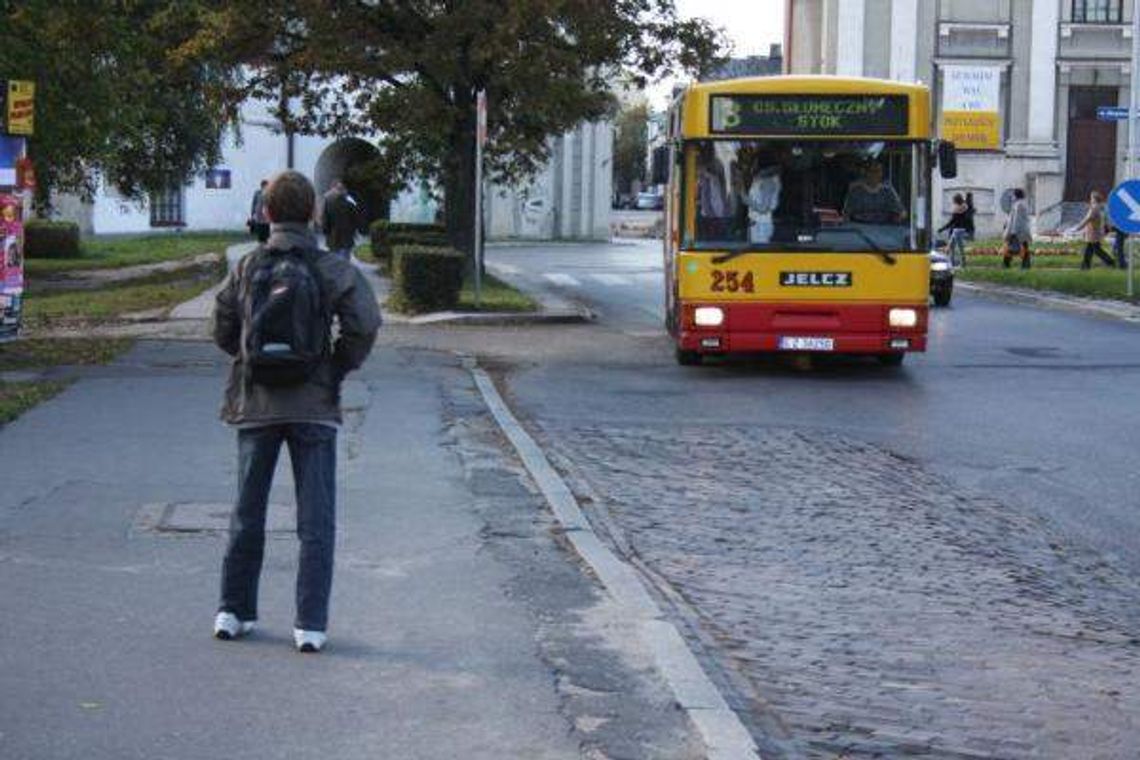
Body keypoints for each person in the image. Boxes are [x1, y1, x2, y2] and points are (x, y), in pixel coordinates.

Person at [211, 170, 381, 653]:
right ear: (313, 214)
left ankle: (233, 611)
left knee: (247, 511)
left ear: (266, 213)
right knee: (316, 518)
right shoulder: (329, 267)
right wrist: (334, 368)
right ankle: (310, 624)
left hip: (256, 403)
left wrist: (251, 361)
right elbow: (365, 324)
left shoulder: (247, 266)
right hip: (314, 405)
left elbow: (222, 327)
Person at [1072, 191, 1116, 270]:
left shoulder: (1094, 208)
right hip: (1097, 231)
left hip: (1093, 233)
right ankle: (1085, 266)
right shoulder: (1101, 208)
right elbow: (1104, 219)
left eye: (1091, 197)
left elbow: (1087, 219)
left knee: (1097, 250)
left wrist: (1078, 228)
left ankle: (1110, 262)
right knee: (1089, 249)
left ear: (1094, 199)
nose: (1090, 199)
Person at [696, 145, 731, 239]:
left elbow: (724, 196)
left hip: (718, 216)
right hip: (710, 216)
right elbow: (705, 200)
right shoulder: (705, 176)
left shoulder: (718, 171)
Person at [321, 179, 360, 259]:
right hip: (347, 237)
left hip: (333, 236)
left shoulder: (328, 202)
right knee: (345, 261)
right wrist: (354, 231)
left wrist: (326, 232)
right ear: (344, 190)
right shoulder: (350, 202)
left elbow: (325, 219)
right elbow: (356, 218)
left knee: (334, 261)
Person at [1001, 188, 1032, 269]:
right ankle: (1024, 264)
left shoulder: (1019, 205)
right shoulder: (1020, 204)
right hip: (1020, 230)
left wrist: (1013, 232)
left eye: (1013, 195)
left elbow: (1017, 219)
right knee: (1022, 247)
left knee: (1011, 247)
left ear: (1016, 195)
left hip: (1017, 231)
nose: (1012, 196)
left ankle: (1007, 264)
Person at [938, 193, 970, 267]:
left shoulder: (957, 210)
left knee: (959, 247)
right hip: (962, 229)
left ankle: (962, 264)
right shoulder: (965, 207)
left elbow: (951, 222)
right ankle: (952, 264)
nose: (953, 202)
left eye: (954, 200)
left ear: (956, 201)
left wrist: (942, 229)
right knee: (952, 247)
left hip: (957, 230)